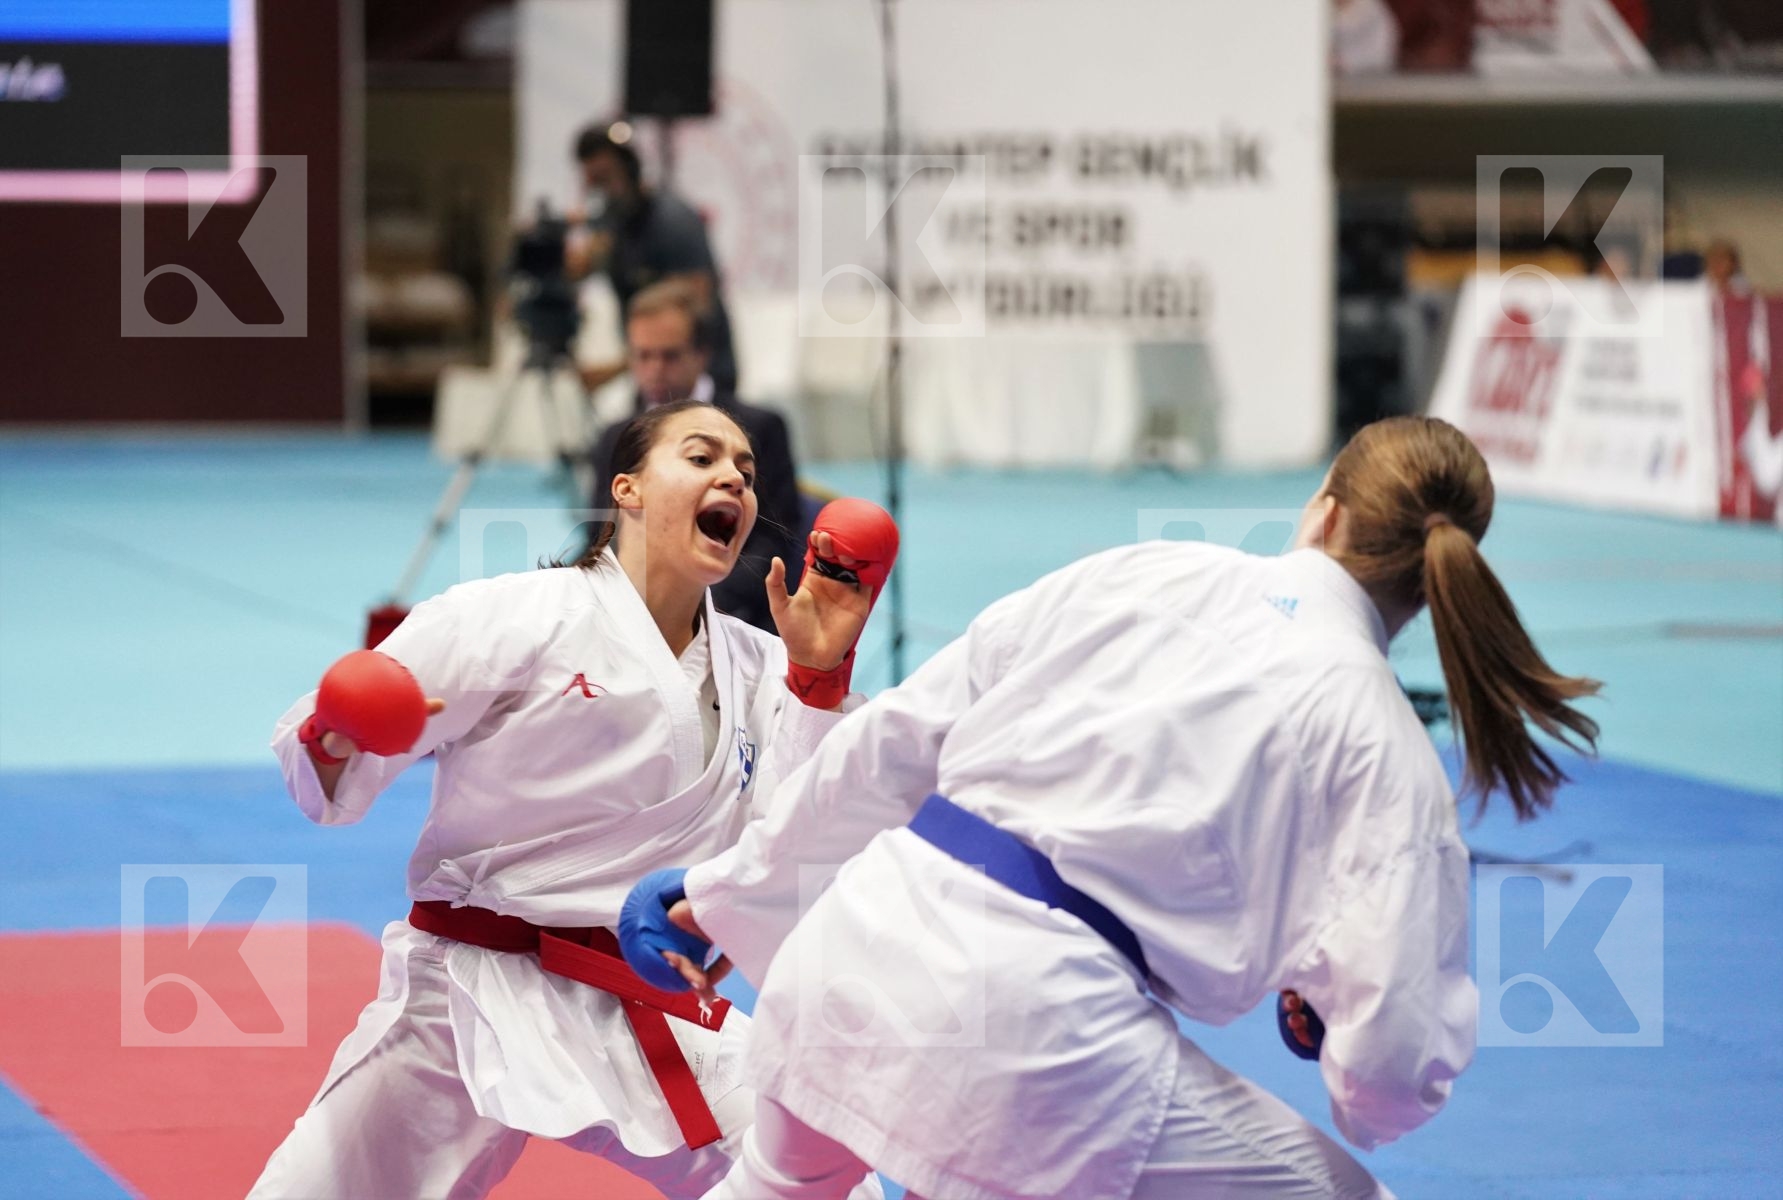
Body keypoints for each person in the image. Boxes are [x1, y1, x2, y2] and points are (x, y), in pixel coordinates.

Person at [643, 416, 1602, 1200]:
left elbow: (896, 742)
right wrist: (1345, 1060)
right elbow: (1391, 1062)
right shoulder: (1387, 747)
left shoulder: (1147, 571)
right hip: (1036, 1041)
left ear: (1322, 511)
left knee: (779, 1186)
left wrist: (733, 891)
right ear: (1436, 583)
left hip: (856, 949)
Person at [248, 400, 886, 1200]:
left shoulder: (765, 667)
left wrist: (819, 683)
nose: (732, 476)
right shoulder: (510, 618)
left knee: (827, 1182)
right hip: (473, 993)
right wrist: (338, 735)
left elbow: (792, 857)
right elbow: (326, 781)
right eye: (700, 456)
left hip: (649, 1004)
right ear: (625, 488)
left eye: (745, 472)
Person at [589, 280, 804, 633]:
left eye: (669, 355)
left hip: (737, 616)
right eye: (643, 355)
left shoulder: (762, 427)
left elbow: (775, 542)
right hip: (635, 614)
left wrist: (696, 603)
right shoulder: (615, 437)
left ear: (702, 354)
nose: (655, 369)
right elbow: (601, 533)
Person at [568, 124, 739, 394]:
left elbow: (690, 318)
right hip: (650, 374)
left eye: (605, 177)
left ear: (629, 171)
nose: (600, 189)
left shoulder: (673, 222)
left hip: (696, 379)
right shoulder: (611, 222)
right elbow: (578, 268)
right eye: (593, 180)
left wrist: (616, 369)